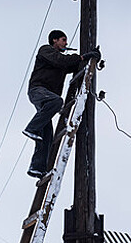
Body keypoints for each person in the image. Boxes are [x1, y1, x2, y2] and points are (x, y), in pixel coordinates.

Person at [23, 30, 100, 178]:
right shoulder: (46, 50)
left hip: (48, 98)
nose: (66, 43)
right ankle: (32, 128)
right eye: (63, 40)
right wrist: (83, 56)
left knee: (47, 135)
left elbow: (72, 65)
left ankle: (37, 168)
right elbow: (61, 61)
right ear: (54, 40)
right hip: (38, 90)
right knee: (57, 101)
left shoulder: (61, 61)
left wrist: (91, 59)